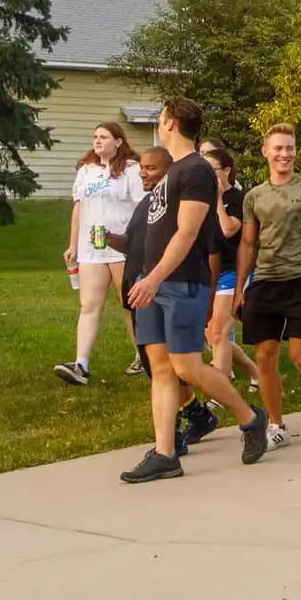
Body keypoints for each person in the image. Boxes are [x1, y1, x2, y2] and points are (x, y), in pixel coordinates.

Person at [119, 98, 269, 484]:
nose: (158, 122)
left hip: (180, 282)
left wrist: (154, 278)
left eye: (161, 117)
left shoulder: (197, 171)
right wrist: (144, 277)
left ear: (169, 123)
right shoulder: (171, 173)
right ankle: (165, 454)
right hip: (151, 283)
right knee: (161, 369)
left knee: (186, 365)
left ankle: (252, 420)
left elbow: (188, 232)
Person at [236, 124, 301, 452]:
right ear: (265, 152)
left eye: (289, 148)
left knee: (300, 356)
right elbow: (248, 244)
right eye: (278, 148)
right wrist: (240, 288)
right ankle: (276, 424)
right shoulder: (254, 196)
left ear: (296, 151)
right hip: (265, 282)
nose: (284, 154)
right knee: (265, 355)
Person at [57, 123, 145, 385]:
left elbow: (141, 207)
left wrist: (139, 243)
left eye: (104, 137)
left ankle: (143, 355)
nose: (98, 141)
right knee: (89, 305)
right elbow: (78, 208)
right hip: (90, 248)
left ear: (118, 142)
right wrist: (72, 245)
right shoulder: (86, 170)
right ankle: (80, 364)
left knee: (128, 305)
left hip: (121, 246)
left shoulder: (130, 169)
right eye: (95, 136)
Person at [201, 147, 259, 385]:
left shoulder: (237, 198)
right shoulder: (199, 198)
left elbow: (228, 229)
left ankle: (221, 387)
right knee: (210, 334)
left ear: (226, 170)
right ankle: (255, 372)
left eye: (211, 169)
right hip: (209, 271)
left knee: (219, 332)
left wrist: (217, 199)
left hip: (234, 271)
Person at [111, 147, 170, 380]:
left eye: (151, 168)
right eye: (142, 168)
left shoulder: (173, 205)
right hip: (138, 291)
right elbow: (130, 244)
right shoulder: (146, 202)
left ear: (168, 171)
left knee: (174, 364)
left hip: (160, 289)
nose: (143, 173)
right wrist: (108, 238)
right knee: (153, 364)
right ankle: (183, 407)